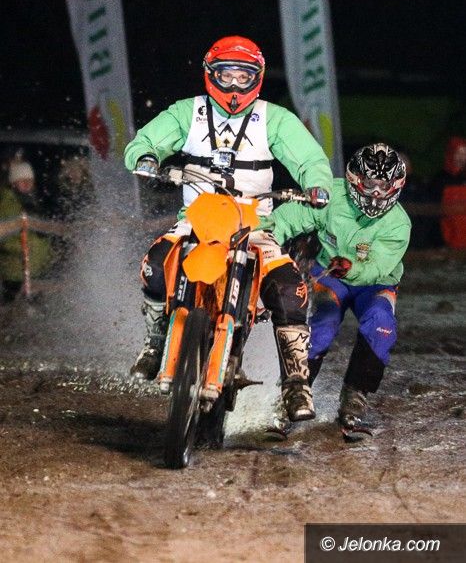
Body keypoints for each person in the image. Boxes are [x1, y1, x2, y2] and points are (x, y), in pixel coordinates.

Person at [124, 35, 333, 421]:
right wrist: (146, 157)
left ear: (257, 77)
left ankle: (296, 384)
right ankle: (154, 342)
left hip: (255, 225)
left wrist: (317, 185)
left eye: (243, 76)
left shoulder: (275, 119)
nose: (235, 86)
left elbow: (310, 160)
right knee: (155, 263)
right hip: (197, 221)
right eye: (226, 76)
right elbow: (144, 141)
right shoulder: (187, 112)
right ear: (211, 74)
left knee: (289, 289)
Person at [260, 143, 411, 431]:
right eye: (370, 183)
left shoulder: (399, 224)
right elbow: (290, 217)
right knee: (321, 327)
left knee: (381, 325)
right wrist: (265, 235)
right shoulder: (330, 196)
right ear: (355, 179)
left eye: (383, 185)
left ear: (396, 186)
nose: (376, 193)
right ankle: (292, 395)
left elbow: (378, 267)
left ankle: (356, 394)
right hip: (330, 274)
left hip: (376, 283)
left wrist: (352, 268)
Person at [0, 159, 54, 301]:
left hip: (35, 270)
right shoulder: (8, 203)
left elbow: (41, 233)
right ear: (13, 183)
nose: (27, 184)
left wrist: (48, 253)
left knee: (36, 309)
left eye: (29, 180)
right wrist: (26, 248)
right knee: (15, 308)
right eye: (22, 181)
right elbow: (5, 238)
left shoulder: (32, 201)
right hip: (15, 272)